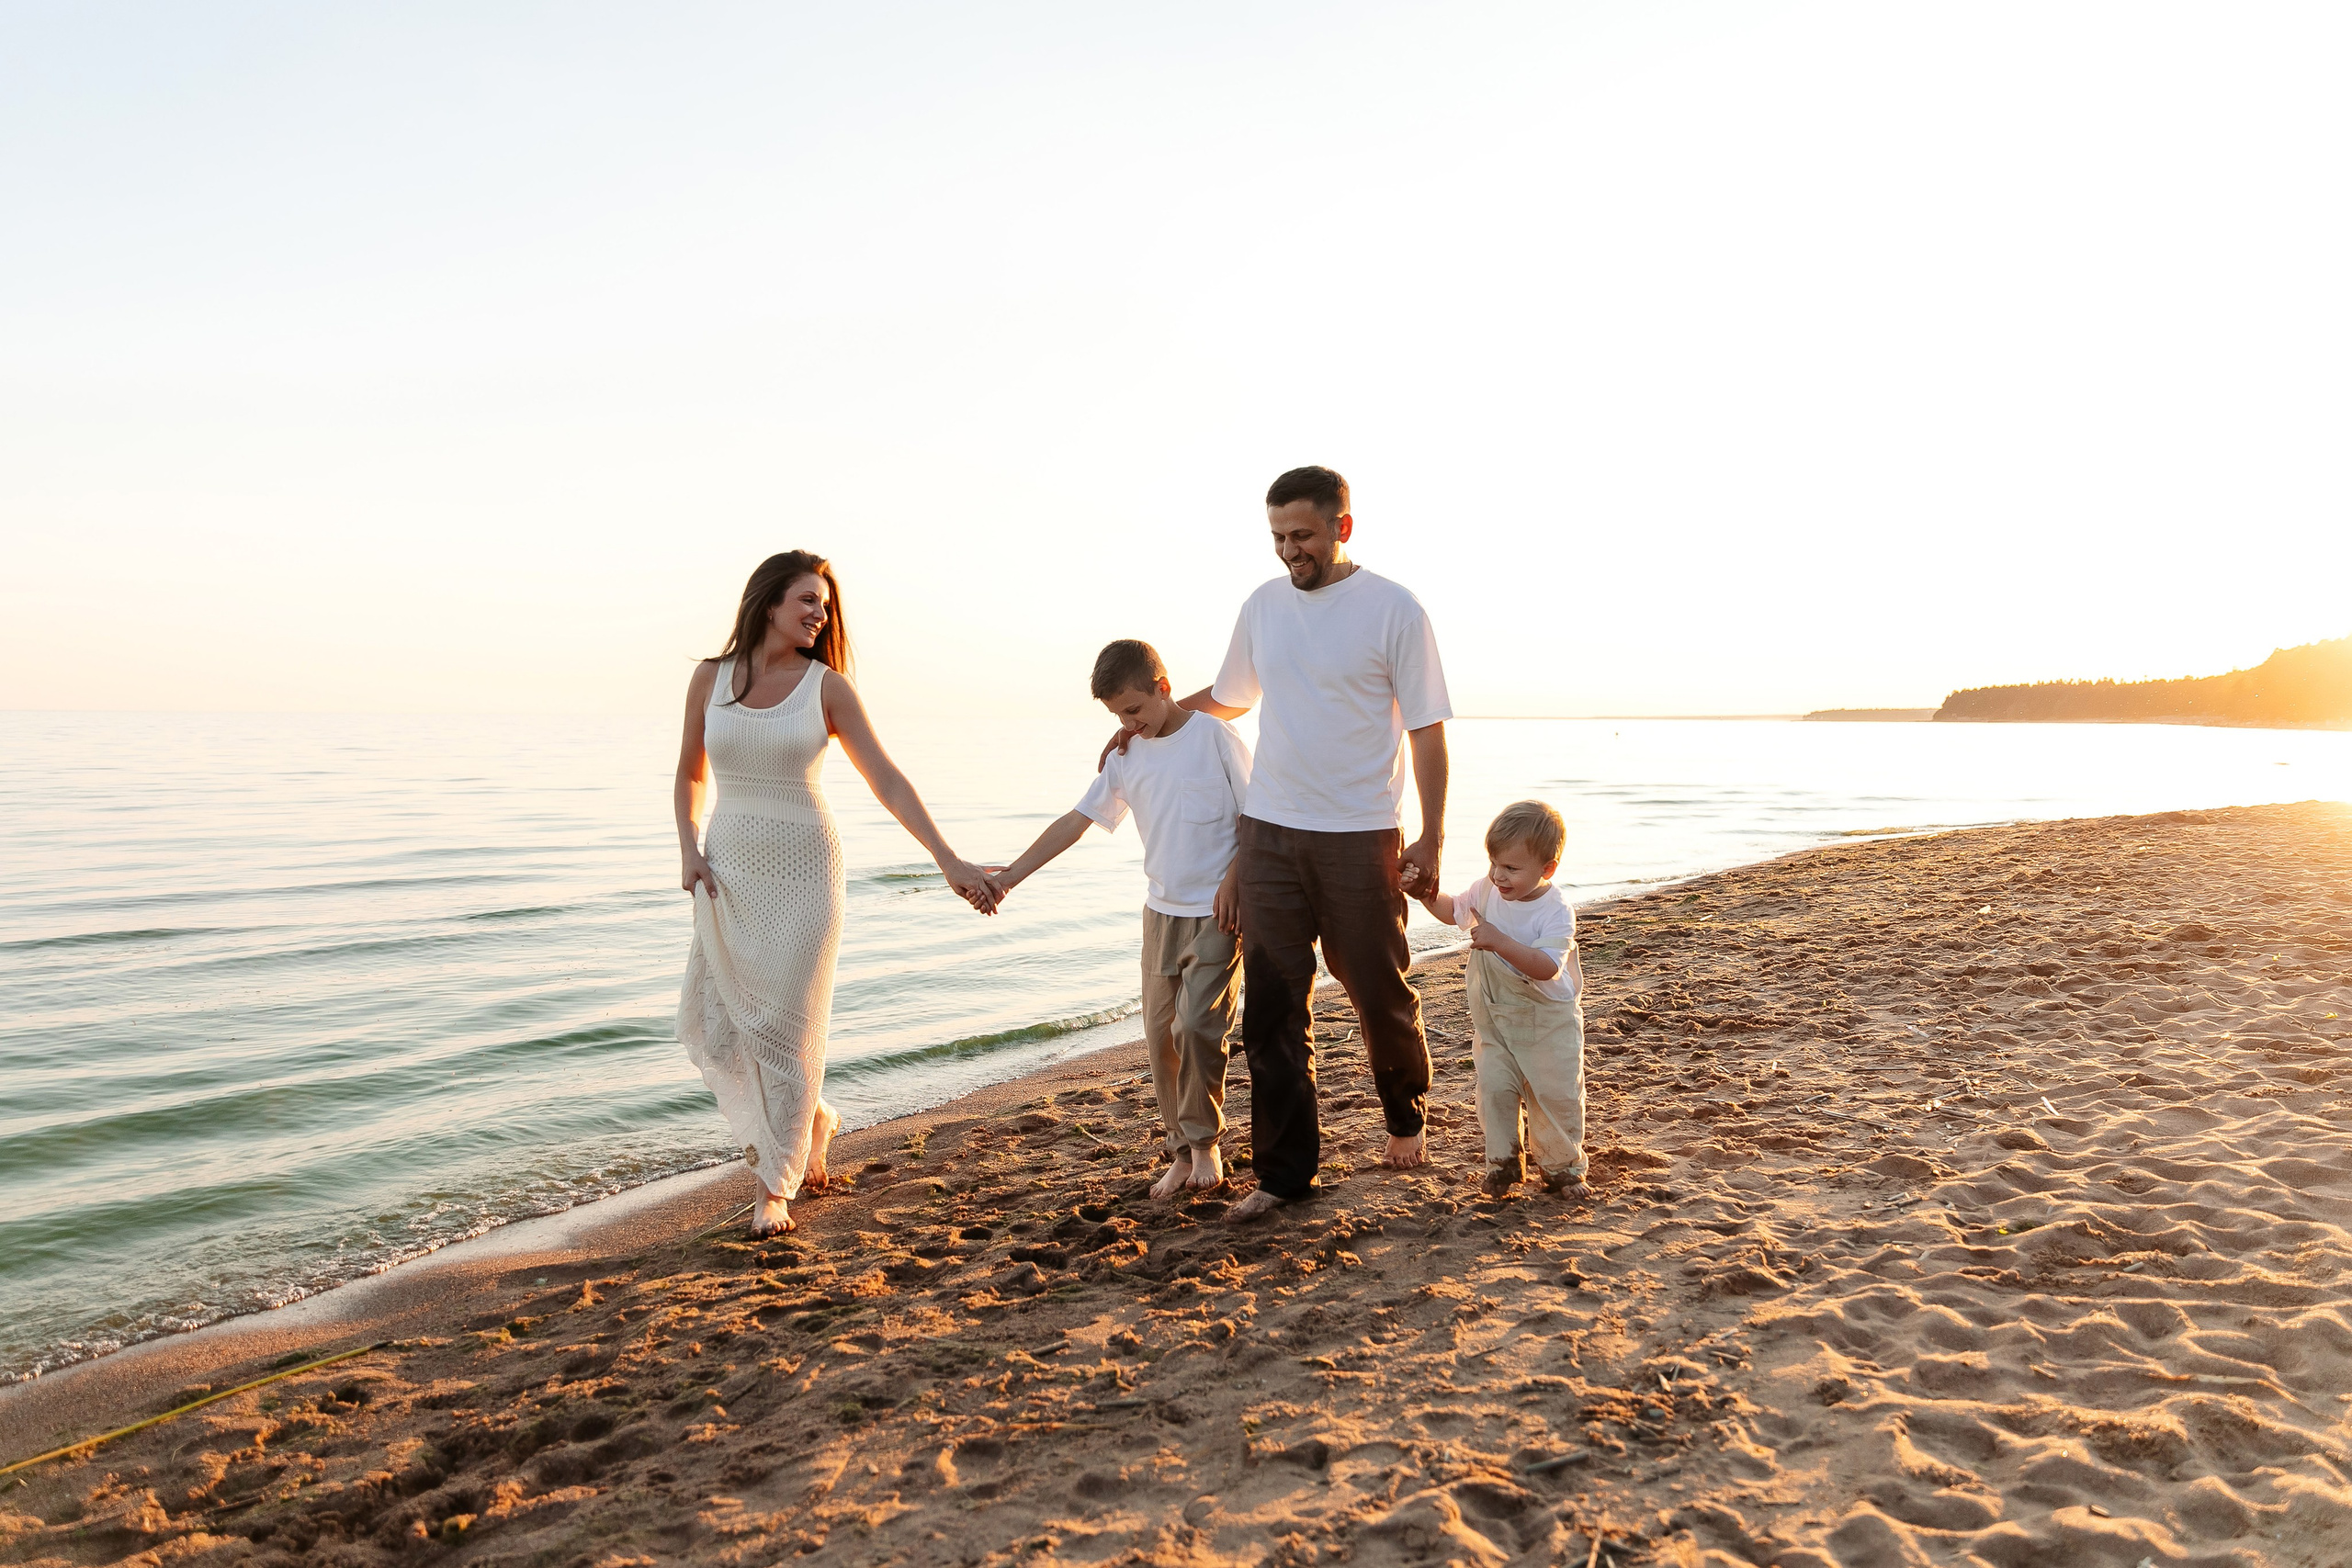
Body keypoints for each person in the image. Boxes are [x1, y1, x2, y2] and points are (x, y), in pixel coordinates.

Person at [1111, 466, 1451, 1223]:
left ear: (1342, 528)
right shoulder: (1262, 606)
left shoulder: (1394, 608)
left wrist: (1430, 834)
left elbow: (1427, 728)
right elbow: (1229, 697)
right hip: (1269, 832)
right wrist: (1146, 723)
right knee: (1270, 1007)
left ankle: (1405, 1110)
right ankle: (1286, 1174)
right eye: (1277, 537)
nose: (1289, 550)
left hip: (1361, 833)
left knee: (1377, 990)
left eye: (1301, 535)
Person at [673, 550, 998, 1238]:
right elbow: (690, 772)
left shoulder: (828, 688)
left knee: (789, 1026)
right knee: (724, 1021)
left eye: (824, 604)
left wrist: (946, 857)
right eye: (807, 601)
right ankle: (812, 1121)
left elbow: (887, 778)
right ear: (769, 603)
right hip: (730, 869)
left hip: (806, 873)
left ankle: (774, 1186)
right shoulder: (710, 679)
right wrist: (688, 847)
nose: (820, 614)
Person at [985, 640, 1252, 1200]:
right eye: (1117, 716)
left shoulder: (1214, 736)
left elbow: (1258, 817)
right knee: (1160, 1036)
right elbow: (1077, 821)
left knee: (1199, 1027)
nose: (1128, 724)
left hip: (1218, 912)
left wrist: (1235, 883)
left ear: (1163, 687)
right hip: (1160, 913)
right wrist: (1010, 876)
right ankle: (1180, 1150)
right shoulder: (1128, 756)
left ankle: (1206, 1143)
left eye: (1133, 710)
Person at [1413, 800, 1590, 1198]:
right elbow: (1453, 910)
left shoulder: (1556, 910)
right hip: (1495, 1019)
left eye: (1511, 868)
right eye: (1494, 863)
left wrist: (1498, 940)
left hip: (1548, 1023)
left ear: (1547, 869)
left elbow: (1546, 967)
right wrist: (1424, 892)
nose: (1498, 875)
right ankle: (1504, 1164)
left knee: (1554, 1095)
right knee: (1494, 1090)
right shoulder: (1487, 890)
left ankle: (1563, 1168)